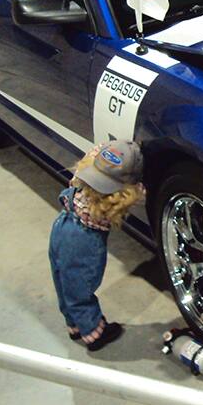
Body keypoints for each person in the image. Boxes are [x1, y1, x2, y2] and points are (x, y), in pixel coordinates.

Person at [48, 140, 145, 351]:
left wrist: (111, 147)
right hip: (84, 241)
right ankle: (93, 332)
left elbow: (93, 152)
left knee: (64, 282)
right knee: (80, 292)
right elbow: (139, 192)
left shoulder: (81, 180)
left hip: (61, 227)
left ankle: (74, 325)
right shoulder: (115, 199)